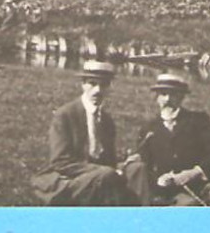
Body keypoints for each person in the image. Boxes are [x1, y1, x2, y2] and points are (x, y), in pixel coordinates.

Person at [31, 61, 147, 206]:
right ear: (83, 84)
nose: (97, 90)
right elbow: (60, 162)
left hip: (100, 175)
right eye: (92, 83)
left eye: (103, 85)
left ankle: (140, 217)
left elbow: (109, 162)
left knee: (138, 169)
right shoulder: (65, 115)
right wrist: (103, 170)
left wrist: (123, 164)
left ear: (110, 87)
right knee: (107, 175)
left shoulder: (107, 120)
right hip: (70, 179)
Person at [137, 73, 210, 206]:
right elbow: (144, 165)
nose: (167, 99)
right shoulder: (149, 129)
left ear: (181, 97)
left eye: (173, 94)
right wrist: (160, 180)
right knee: (189, 207)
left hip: (206, 183)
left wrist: (194, 173)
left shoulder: (198, 121)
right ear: (156, 98)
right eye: (163, 94)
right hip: (173, 191)